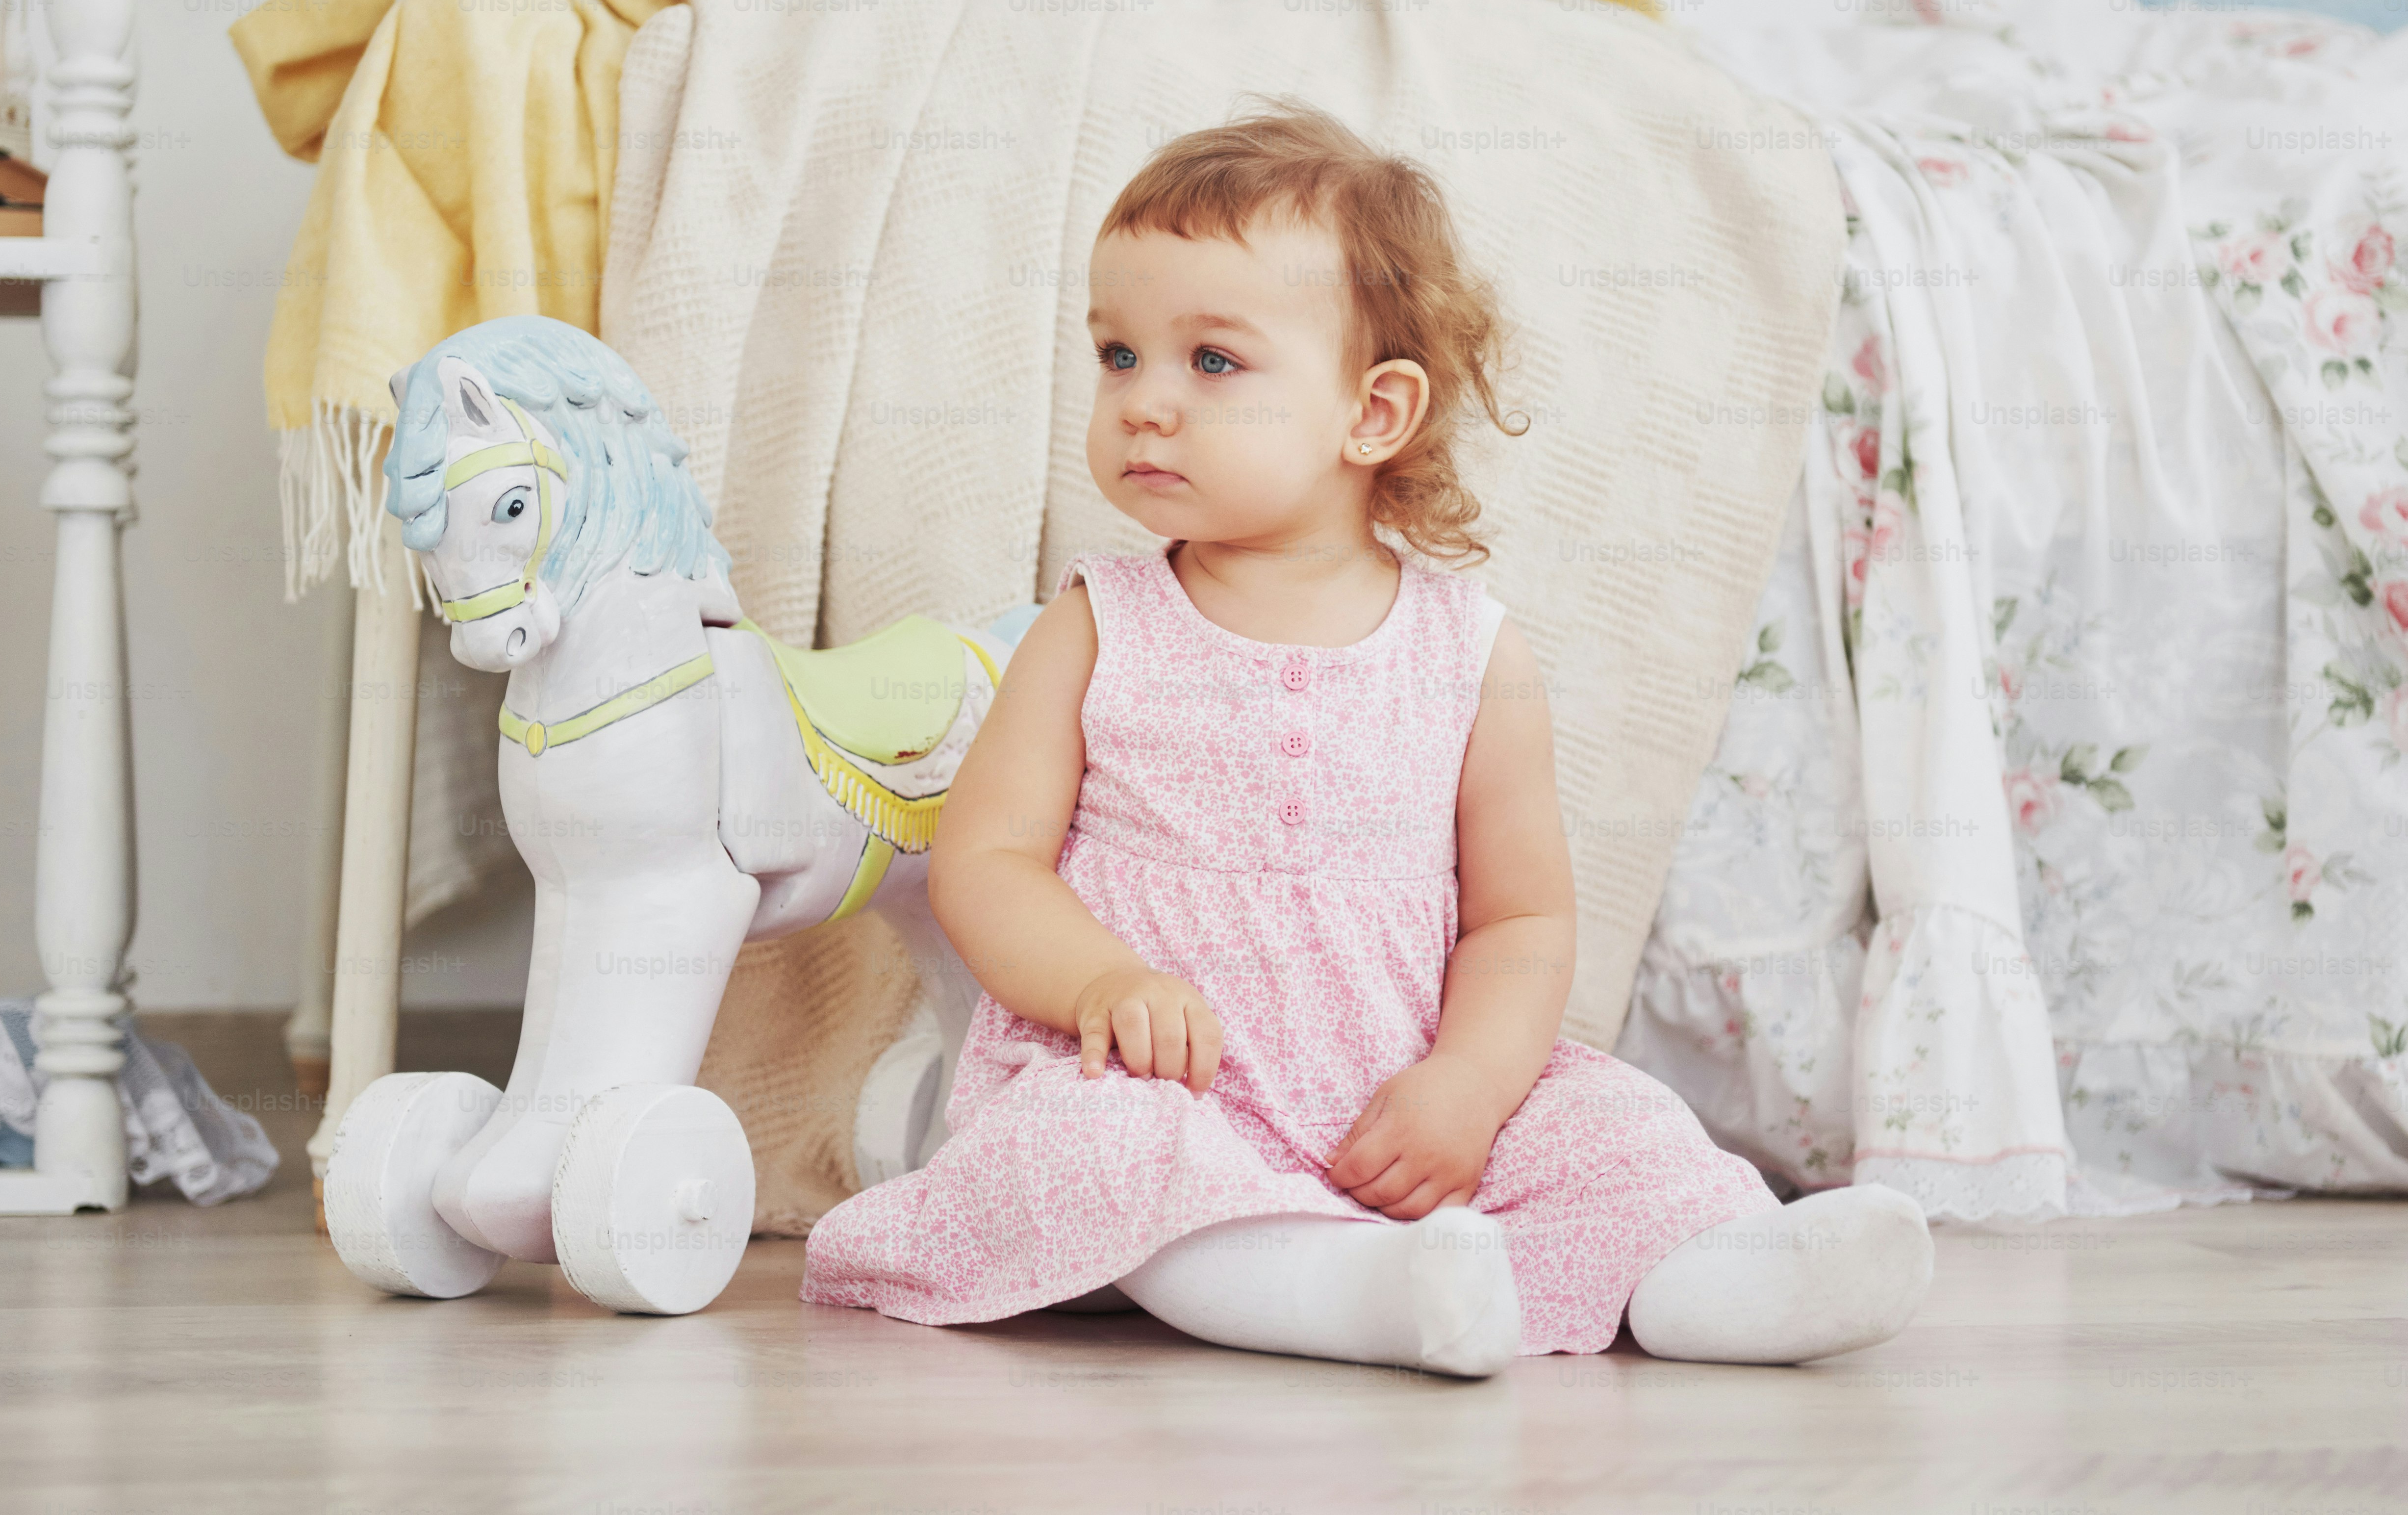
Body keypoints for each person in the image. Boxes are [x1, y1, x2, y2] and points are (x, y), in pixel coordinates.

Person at [802, 101, 1932, 1376]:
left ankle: (1723, 1283)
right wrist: (1099, 983)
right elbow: (987, 860)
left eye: (1210, 362)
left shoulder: (1470, 653)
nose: (1145, 403)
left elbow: (1521, 922)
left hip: (1396, 1101)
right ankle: (1351, 1294)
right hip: (1169, 1093)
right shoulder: (1096, 626)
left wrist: (1464, 1084)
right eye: (1118, 356)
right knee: (1095, 1155)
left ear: (1375, 412)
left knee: (1618, 1123)